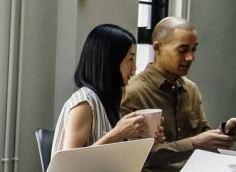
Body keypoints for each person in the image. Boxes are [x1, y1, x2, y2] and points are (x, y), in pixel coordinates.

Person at [121, 16, 236, 172]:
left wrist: (226, 131)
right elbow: (135, 157)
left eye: (194, 49)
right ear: (158, 48)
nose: (191, 57)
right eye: (183, 50)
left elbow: (202, 134)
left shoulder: (190, 89)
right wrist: (194, 143)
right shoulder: (133, 93)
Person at [52, 24, 164, 153]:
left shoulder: (108, 98)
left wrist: (148, 141)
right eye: (131, 59)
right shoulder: (84, 104)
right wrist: (117, 134)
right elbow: (68, 163)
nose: (134, 66)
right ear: (111, 61)